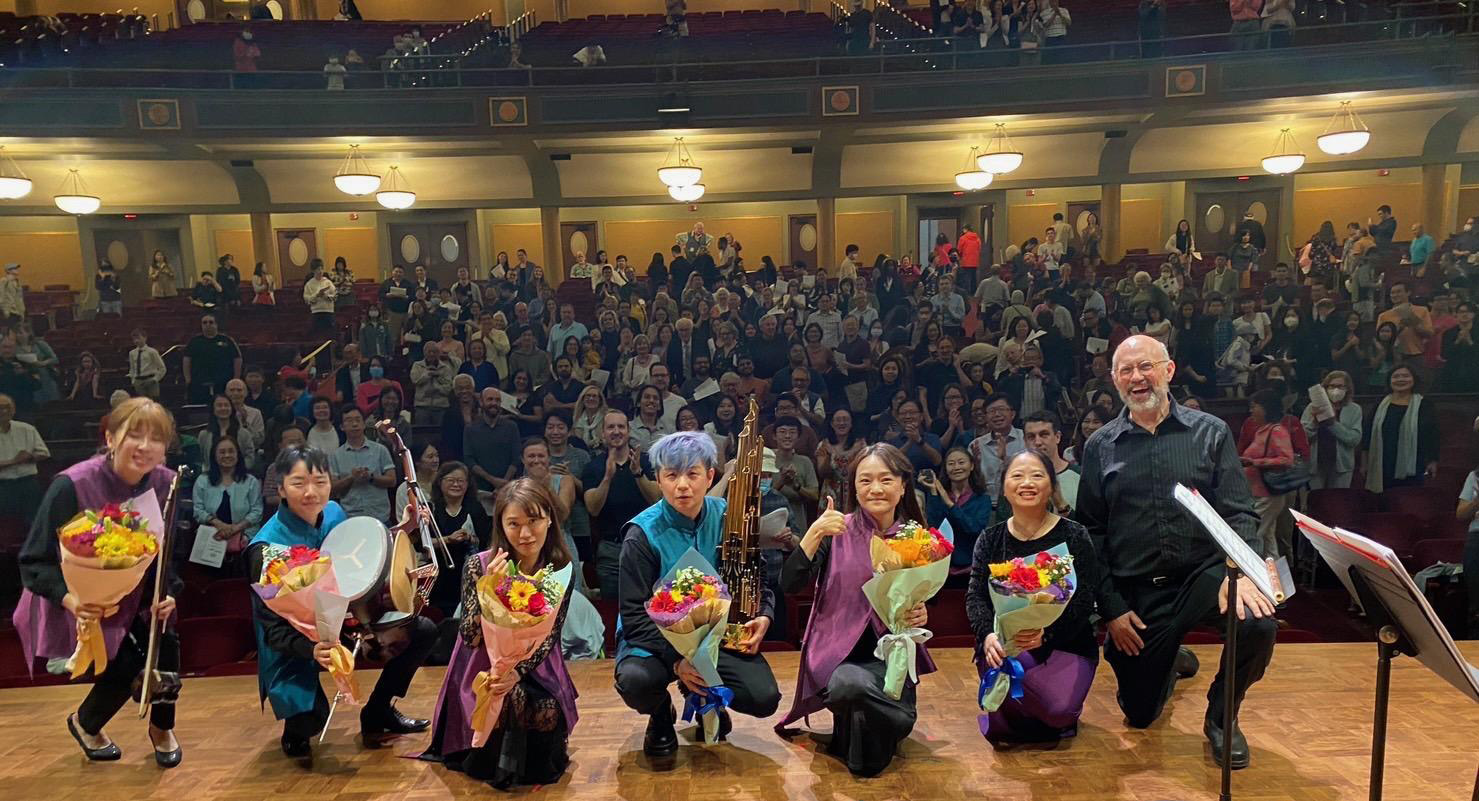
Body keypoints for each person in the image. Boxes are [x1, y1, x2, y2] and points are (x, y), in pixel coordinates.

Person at [1076, 335, 1276, 769]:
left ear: (1168, 371)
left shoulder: (1211, 433)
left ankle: (1223, 716)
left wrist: (1239, 575)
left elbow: (1240, 513)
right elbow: (1091, 535)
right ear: (1114, 381)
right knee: (1141, 714)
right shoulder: (1100, 446)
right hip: (1140, 592)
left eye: (1145, 366)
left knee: (1259, 624)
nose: (1137, 378)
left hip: (1204, 576)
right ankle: (1170, 657)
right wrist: (1111, 609)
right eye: (1126, 371)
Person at [13, 397, 182, 766]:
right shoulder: (71, 485)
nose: (144, 446)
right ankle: (87, 722)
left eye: (156, 438)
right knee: (127, 662)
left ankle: (161, 726)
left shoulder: (169, 483)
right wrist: (74, 601)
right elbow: (33, 560)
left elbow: (166, 553)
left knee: (166, 642)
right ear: (110, 438)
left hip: (136, 592)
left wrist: (167, 593)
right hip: (71, 597)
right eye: (134, 435)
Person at [247, 445, 436, 758]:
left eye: (320, 481)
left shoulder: (334, 512)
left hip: (345, 624)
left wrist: (406, 528)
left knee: (423, 630)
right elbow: (270, 628)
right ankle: (297, 726)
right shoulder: (265, 549)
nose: (311, 492)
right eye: (298, 483)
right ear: (280, 488)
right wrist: (313, 649)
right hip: (295, 643)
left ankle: (378, 710)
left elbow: (359, 557)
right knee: (311, 721)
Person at [614, 432, 779, 761]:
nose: (682, 486)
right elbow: (633, 616)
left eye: (692, 474)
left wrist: (764, 613)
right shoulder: (641, 534)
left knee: (764, 697)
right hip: (653, 641)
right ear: (658, 480)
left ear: (710, 476)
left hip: (716, 636)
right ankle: (660, 712)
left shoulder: (728, 518)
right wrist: (678, 662)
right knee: (636, 682)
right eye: (671, 476)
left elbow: (756, 574)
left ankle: (705, 696)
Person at [777, 443, 931, 776]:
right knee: (849, 684)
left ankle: (862, 724)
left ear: (903, 485)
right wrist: (815, 532)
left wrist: (921, 613)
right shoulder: (837, 531)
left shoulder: (915, 537)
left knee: (865, 763)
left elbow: (918, 595)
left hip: (891, 660)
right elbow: (789, 584)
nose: (876, 488)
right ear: (854, 487)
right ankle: (901, 718)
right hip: (837, 657)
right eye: (866, 480)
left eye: (886, 479)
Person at [420, 478, 578, 787]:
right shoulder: (478, 565)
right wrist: (489, 590)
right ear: (501, 526)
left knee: (539, 708)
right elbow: (469, 637)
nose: (525, 533)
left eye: (533, 521)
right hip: (481, 664)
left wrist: (517, 671)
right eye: (514, 524)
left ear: (549, 518)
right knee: (507, 697)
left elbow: (550, 636)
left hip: (537, 664)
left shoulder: (559, 568)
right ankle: (501, 768)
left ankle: (523, 765)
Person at [968, 449, 1099, 746]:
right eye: (1017, 475)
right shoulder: (990, 538)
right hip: (1005, 642)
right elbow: (976, 595)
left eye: (1037, 475)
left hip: (1065, 643)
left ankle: (1053, 719)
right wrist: (987, 635)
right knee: (1008, 672)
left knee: (1058, 710)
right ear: (1003, 487)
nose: (1027, 483)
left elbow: (1085, 597)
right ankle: (1018, 721)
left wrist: (1047, 633)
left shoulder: (1074, 534)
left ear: (1052, 486)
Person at [582, 410, 658, 600]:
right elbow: (593, 508)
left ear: (628, 430)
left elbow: (656, 499)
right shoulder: (594, 467)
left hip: (644, 544)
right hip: (610, 548)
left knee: (647, 606)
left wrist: (638, 472)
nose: (616, 431)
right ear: (603, 434)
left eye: (621, 426)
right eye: (610, 427)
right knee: (612, 609)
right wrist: (607, 477)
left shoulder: (646, 461)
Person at [1362, 365, 1439, 493]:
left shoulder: (1425, 405)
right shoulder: (1380, 403)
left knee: (1408, 499)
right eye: (1396, 376)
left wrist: (1433, 460)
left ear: (1414, 379)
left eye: (1405, 376)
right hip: (1382, 463)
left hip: (1414, 464)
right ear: (1389, 381)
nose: (1401, 379)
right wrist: (1364, 462)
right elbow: (1367, 434)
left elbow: (1433, 435)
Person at [192, 434, 264, 561]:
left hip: (244, 533)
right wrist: (218, 524)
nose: (227, 455)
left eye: (231, 451)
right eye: (222, 452)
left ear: (238, 455)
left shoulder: (250, 481)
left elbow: (257, 512)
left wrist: (235, 529)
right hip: (212, 533)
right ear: (215, 456)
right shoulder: (203, 480)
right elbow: (198, 510)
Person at [1241, 391, 1295, 559]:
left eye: (1254, 407)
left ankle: (1251, 574)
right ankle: (1276, 578)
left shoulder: (1277, 430)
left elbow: (1287, 459)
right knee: (1267, 540)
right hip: (1258, 492)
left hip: (1269, 494)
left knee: (1254, 534)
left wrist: (1255, 463)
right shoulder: (1261, 431)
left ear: (1266, 408)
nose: (1251, 411)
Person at [921, 445, 991, 568]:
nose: (956, 467)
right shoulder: (938, 496)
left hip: (971, 565)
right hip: (941, 565)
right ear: (946, 469)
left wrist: (950, 504)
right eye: (951, 464)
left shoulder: (982, 499)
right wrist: (933, 491)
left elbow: (973, 528)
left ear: (972, 466)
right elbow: (934, 527)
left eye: (961, 462)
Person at [328, 405, 396, 523]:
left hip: (379, 516)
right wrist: (351, 478)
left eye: (358, 420)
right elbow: (332, 490)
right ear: (342, 427)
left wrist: (371, 477)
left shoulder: (380, 450)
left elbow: (392, 480)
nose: (355, 424)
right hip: (350, 518)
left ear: (364, 424)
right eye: (349, 421)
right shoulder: (335, 455)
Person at [1301, 371, 1362, 490]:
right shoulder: (1312, 407)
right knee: (1316, 501)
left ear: (1347, 389)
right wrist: (1314, 423)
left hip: (1341, 466)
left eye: (1340, 386)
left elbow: (1354, 439)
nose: (1336, 390)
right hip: (1316, 465)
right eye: (1332, 386)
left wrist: (1333, 423)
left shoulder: (1354, 409)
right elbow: (1302, 437)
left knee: (1338, 502)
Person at [0, 392, 47, 530]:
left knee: (35, 523)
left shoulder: (27, 429)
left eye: (7, 407)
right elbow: (17, 460)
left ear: (13, 410)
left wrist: (30, 458)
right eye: (0, 408)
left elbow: (44, 453)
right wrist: (14, 461)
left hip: (28, 483)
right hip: (3, 486)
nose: (4, 411)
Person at [464, 387, 522, 494]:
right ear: (481, 402)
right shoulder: (470, 429)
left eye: (497, 400)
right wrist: (493, 480)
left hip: (509, 488)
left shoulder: (511, 427)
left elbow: (516, 458)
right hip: (480, 488)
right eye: (490, 399)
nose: (494, 403)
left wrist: (503, 483)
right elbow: (469, 460)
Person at [970, 393, 1027, 498]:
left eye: (1001, 409)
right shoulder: (976, 445)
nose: (997, 414)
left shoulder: (1026, 439)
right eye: (991, 411)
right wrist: (976, 466)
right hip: (987, 506)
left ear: (1012, 414)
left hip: (1021, 502)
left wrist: (1004, 459)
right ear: (986, 417)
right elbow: (972, 484)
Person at [182, 314, 242, 404]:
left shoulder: (227, 340)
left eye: (211, 322)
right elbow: (186, 360)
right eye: (204, 323)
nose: (208, 325)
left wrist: (236, 379)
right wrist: (188, 379)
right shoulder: (194, 342)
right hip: (199, 383)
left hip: (223, 383)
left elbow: (237, 359)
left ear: (216, 324)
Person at [303, 261, 338, 332]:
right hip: (316, 312)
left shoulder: (328, 282)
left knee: (330, 333)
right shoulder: (309, 284)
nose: (320, 271)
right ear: (313, 271)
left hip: (328, 311)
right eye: (318, 269)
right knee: (317, 334)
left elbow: (335, 295)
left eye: (322, 269)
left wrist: (326, 296)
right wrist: (317, 295)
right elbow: (307, 299)